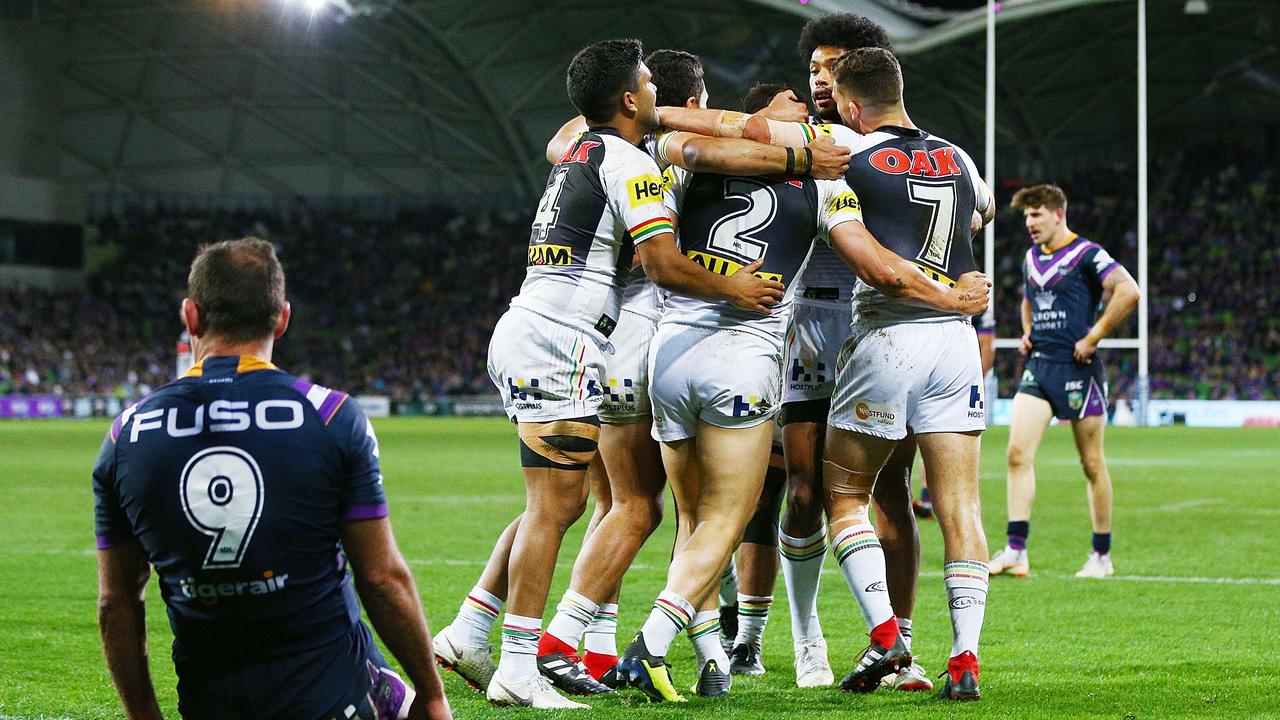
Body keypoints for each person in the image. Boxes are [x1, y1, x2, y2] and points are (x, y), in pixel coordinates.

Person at [432, 49, 850, 700]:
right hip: (607, 333)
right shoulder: (640, 154)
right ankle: (545, 654)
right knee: (628, 505)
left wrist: (753, 130)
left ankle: (484, 628)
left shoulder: (583, 140)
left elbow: (573, 138)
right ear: (635, 100)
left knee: (570, 500)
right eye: (647, 83)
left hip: (542, 325)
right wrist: (792, 155)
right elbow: (701, 182)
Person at [616, 85, 988, 702]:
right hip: (800, 346)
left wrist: (705, 124)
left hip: (672, 348)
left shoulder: (683, 159)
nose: (811, 108)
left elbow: (659, 180)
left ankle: (710, 655)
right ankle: (657, 644)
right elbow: (906, 251)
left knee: (703, 516)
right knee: (734, 517)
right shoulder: (835, 174)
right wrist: (956, 295)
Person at [654, 12, 934, 692]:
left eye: (834, 72)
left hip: (874, 335)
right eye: (815, 71)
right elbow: (707, 139)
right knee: (793, 489)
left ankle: (899, 645)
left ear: (861, 78)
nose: (821, 82)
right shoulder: (813, 145)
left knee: (886, 494)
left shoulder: (889, 151)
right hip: (796, 331)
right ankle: (789, 636)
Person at [93, 237, 452, 720]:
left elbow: (116, 602)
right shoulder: (332, 416)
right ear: (282, 317)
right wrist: (432, 696)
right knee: (397, 696)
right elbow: (382, 577)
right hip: (330, 693)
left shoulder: (125, 436)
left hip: (211, 699)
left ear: (191, 316)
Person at [989, 184, 1140, 579]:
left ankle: (1101, 556)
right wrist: (1026, 330)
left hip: (1079, 371)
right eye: (1026, 217)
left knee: (1091, 464)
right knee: (1016, 454)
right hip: (1040, 367)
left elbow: (1128, 291)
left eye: (1036, 215)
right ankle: (1016, 551)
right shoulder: (1030, 257)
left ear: (1058, 214)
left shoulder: (1088, 254)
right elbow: (1028, 298)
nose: (1029, 223)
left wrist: (1093, 337)